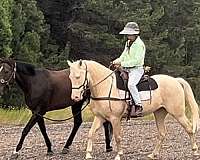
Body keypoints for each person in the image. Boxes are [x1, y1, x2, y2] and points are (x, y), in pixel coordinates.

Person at [113, 22, 146, 117]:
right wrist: (116, 61)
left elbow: (136, 61)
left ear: (135, 34)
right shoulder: (128, 43)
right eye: (127, 34)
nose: (128, 35)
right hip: (126, 68)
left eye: (129, 34)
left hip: (136, 69)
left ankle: (138, 105)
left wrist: (122, 64)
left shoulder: (140, 45)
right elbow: (123, 55)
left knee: (131, 84)